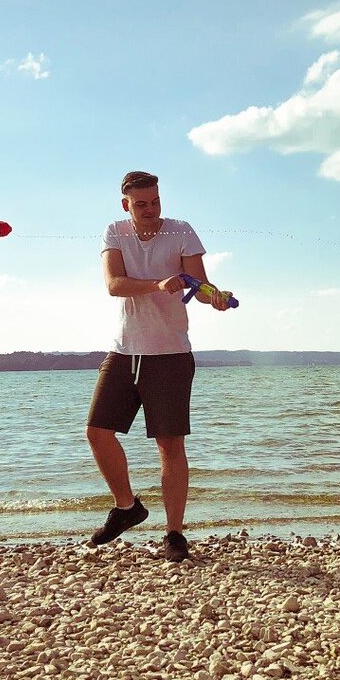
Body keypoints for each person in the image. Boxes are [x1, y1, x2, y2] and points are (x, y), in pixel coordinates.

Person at [84, 171, 234, 563]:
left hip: (170, 354)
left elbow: (199, 288)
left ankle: (174, 534)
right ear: (126, 205)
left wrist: (215, 297)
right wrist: (157, 284)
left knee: (170, 446)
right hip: (124, 351)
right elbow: (114, 284)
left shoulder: (181, 231)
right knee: (98, 432)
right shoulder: (114, 231)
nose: (150, 210)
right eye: (141, 204)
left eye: (155, 201)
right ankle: (127, 507)